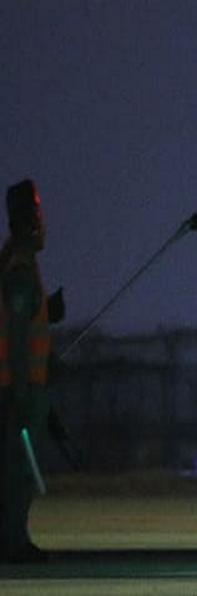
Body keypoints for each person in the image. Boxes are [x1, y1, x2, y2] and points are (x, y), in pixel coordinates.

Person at [1, 179, 53, 563]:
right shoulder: (19, 270)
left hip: (19, 387)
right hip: (18, 390)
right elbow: (17, 338)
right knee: (18, 473)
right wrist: (20, 392)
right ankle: (13, 543)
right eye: (38, 217)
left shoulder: (18, 266)